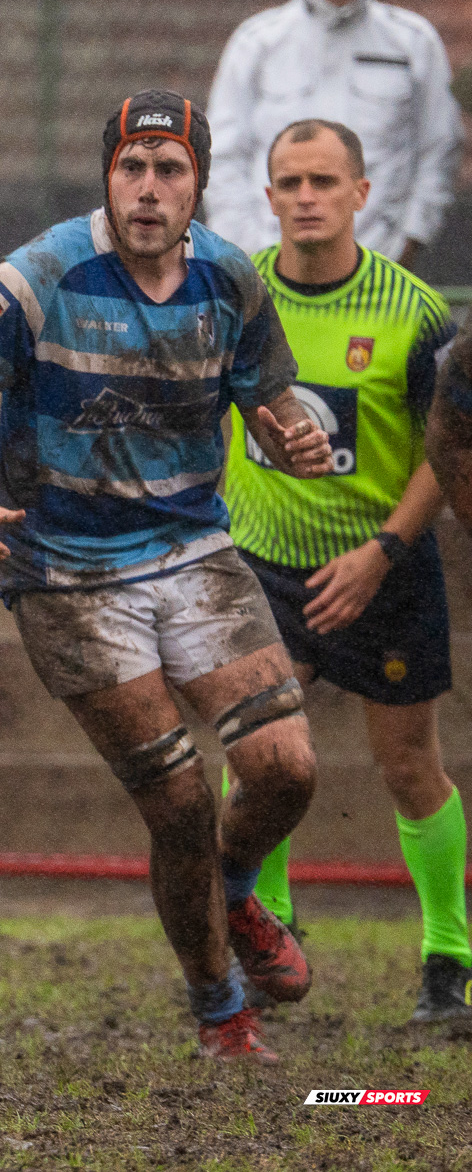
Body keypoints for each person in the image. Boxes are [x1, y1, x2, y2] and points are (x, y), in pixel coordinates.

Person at [0, 90, 333, 1064]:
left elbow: (269, 407)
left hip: (195, 550)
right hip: (68, 575)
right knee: (177, 801)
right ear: (107, 177)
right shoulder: (39, 276)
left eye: (168, 170)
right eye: (130, 168)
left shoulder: (232, 284)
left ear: (199, 185)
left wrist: (288, 436)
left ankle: (228, 891)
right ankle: (223, 1008)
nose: (147, 189)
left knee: (287, 770)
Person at [221, 118, 469, 1024]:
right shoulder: (235, 295)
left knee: (409, 766)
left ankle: (450, 962)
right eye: (290, 182)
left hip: (385, 567)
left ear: (362, 194)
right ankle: (262, 931)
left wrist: (383, 552)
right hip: (263, 570)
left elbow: (451, 448)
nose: (306, 198)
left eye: (325, 181)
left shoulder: (413, 311)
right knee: (261, 760)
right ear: (270, 194)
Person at [205, 0, 463, 268]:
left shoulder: (413, 41)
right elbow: (223, 155)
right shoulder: (257, 42)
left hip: (381, 265)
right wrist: (247, 252)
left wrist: (409, 240)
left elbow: (439, 149)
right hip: (268, 264)